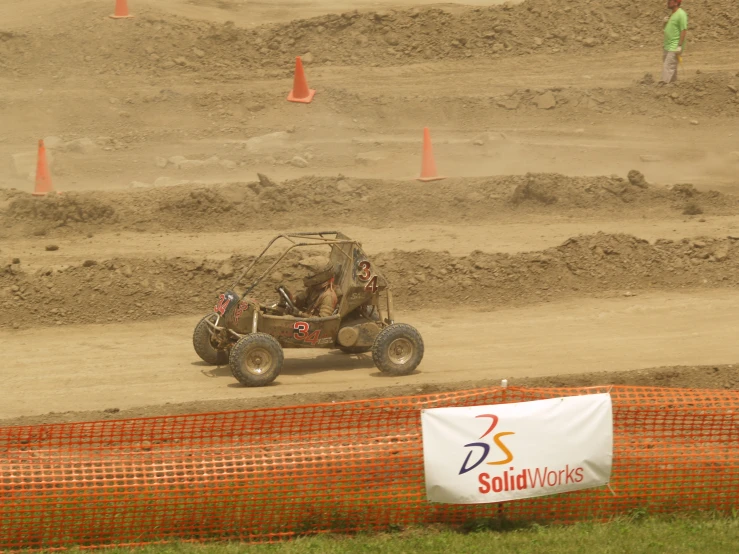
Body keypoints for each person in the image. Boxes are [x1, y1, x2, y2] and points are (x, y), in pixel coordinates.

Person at [661, 0, 688, 84]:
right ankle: (672, 85)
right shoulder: (672, 14)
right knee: (671, 68)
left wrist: (679, 46)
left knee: (668, 67)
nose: (668, 2)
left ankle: (664, 86)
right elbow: (668, 29)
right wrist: (664, 23)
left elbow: (683, 30)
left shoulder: (681, 14)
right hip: (667, 46)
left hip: (674, 46)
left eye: (670, 1)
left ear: (676, 3)